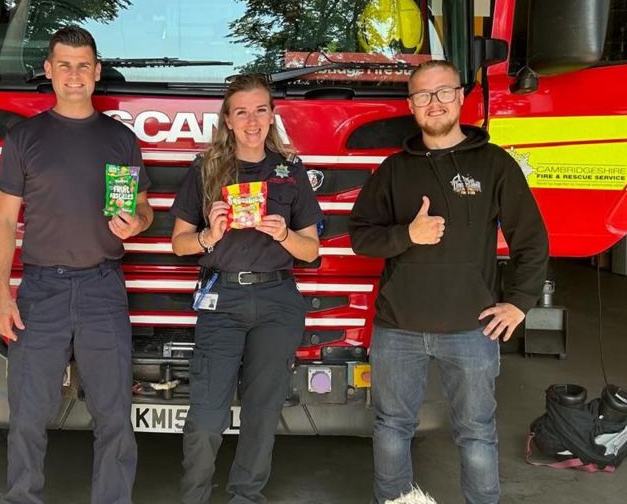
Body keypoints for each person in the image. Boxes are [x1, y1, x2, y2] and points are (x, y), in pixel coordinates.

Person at [348, 60, 549, 504]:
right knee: (391, 429)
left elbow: (531, 240)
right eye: (422, 96)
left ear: (461, 97)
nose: (433, 103)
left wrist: (518, 303)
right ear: (411, 105)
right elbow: (361, 236)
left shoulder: (495, 164)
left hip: (471, 327)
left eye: (442, 93)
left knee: (476, 433)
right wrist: (407, 235)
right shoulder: (394, 169)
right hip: (398, 326)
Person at [0, 25, 153, 504]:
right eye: (64, 64)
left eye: (84, 65)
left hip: (103, 288)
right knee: (26, 415)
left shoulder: (119, 139)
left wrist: (137, 223)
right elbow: (3, 221)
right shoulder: (25, 137)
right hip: (41, 291)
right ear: (49, 71)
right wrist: (2, 293)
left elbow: (144, 208)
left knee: (114, 416)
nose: (75, 74)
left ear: (97, 72)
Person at [170, 74, 322, 504]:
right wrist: (208, 235)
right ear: (228, 119)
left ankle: (246, 497)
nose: (252, 121)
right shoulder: (207, 168)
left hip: (277, 302)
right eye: (242, 112)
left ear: (272, 115)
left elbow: (310, 251)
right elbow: (179, 243)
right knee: (205, 416)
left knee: (262, 413)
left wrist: (284, 235)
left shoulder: (289, 170)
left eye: (260, 110)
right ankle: (194, 497)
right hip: (223, 301)